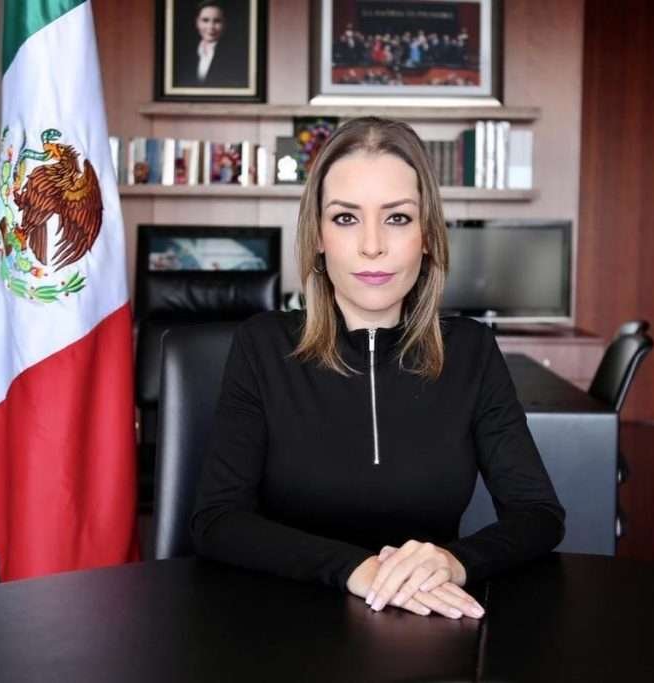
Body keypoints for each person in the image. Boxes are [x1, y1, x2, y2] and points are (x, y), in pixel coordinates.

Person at [191, 117, 565, 620]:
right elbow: (216, 520)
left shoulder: (471, 349)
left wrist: (454, 562)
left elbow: (538, 514)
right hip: (283, 622)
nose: (372, 245)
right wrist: (358, 569)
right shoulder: (262, 344)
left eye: (398, 218)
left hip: (428, 622)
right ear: (318, 235)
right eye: (346, 217)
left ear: (427, 236)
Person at [175, 0, 248, 88]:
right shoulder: (184, 54)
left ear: (225, 24)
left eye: (217, 21)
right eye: (205, 20)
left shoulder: (236, 56)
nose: (211, 27)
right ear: (197, 22)